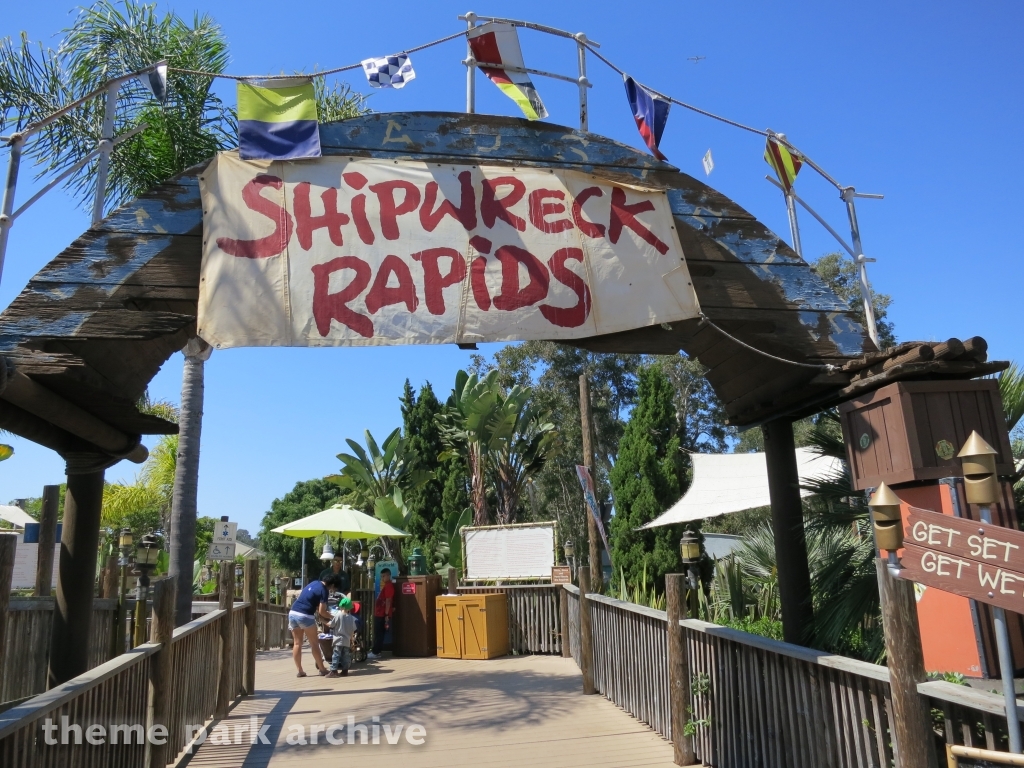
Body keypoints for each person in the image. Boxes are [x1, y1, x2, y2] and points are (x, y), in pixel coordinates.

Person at [288, 575, 331, 677]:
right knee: (314, 643)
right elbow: (322, 611)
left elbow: (309, 599)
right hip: (305, 615)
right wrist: (333, 616)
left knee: (297, 643)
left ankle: (300, 671)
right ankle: (322, 669)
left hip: (293, 612)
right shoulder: (324, 590)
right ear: (332, 585)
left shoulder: (314, 582)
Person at [326, 597, 358, 677]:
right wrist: (351, 639)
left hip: (338, 640)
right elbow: (352, 630)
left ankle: (334, 670)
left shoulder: (338, 615)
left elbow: (332, 625)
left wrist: (324, 622)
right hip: (346, 641)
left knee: (336, 655)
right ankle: (345, 670)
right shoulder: (351, 618)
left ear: (341, 606)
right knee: (346, 656)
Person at [368, 568, 394, 659]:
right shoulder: (386, 585)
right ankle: (377, 651)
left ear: (388, 575)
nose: (382, 578)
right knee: (378, 633)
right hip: (379, 613)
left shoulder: (389, 586)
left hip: (382, 614)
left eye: (384, 576)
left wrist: (386, 614)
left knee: (379, 633)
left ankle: (376, 652)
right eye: (381, 576)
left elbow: (388, 600)